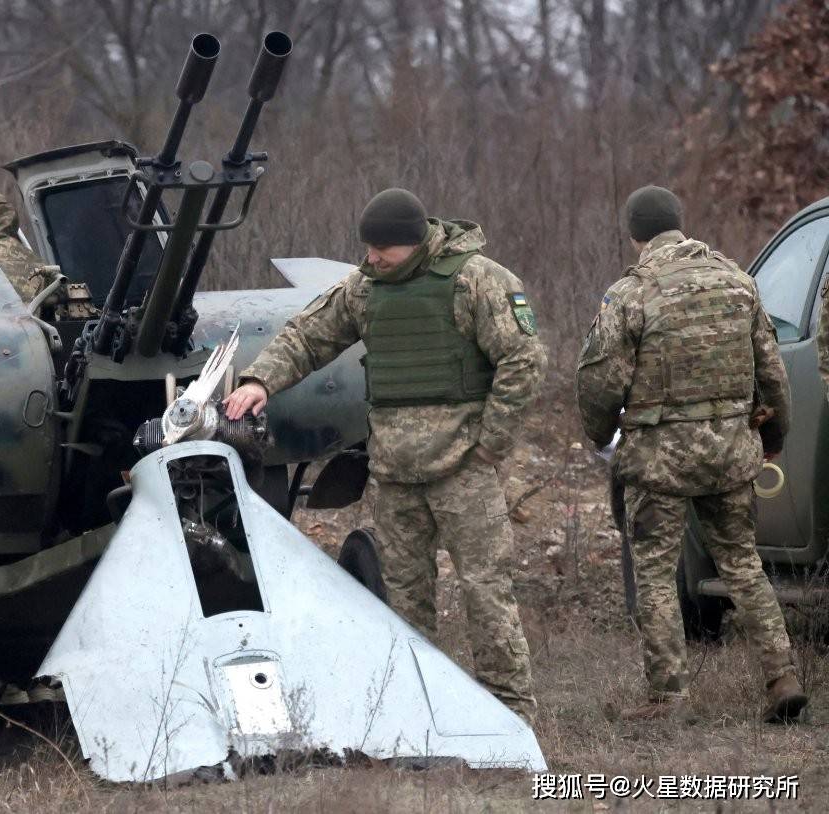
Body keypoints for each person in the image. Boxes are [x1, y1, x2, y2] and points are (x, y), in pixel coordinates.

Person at [224, 188, 544, 723]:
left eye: (383, 251)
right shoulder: (365, 289)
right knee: (404, 597)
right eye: (368, 249)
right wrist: (261, 380)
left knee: (486, 590)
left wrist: (492, 441)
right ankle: (423, 710)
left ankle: (509, 712)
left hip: (465, 467)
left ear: (416, 244)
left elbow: (524, 359)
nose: (371, 258)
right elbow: (308, 336)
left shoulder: (478, 280)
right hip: (394, 471)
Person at [576, 184, 806, 723]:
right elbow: (772, 374)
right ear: (680, 222)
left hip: (658, 462)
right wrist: (772, 439)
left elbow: (599, 383)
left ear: (635, 234)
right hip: (730, 453)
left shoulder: (629, 296)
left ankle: (669, 697)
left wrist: (600, 434)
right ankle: (783, 678)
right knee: (743, 564)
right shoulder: (739, 284)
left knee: (655, 574)